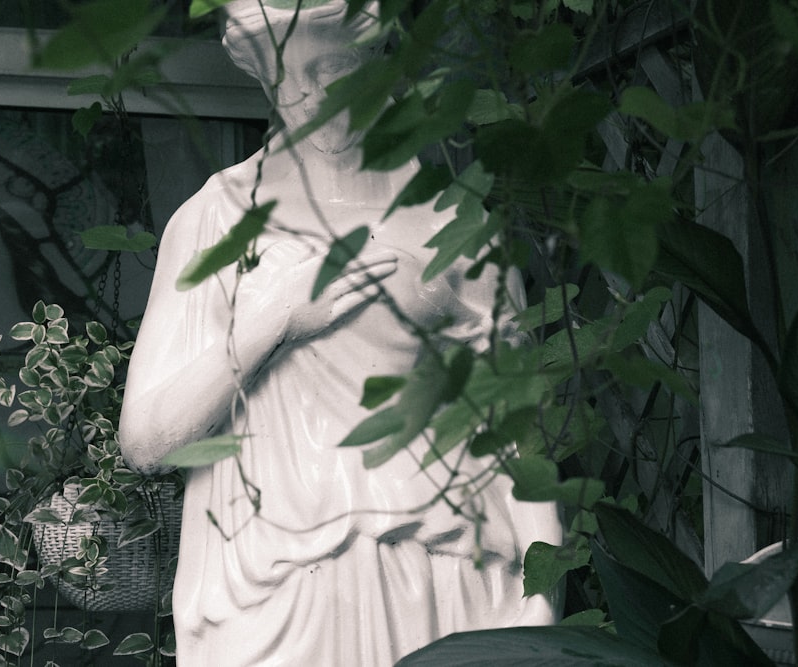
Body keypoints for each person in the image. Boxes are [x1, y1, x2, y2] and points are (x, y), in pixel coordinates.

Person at [119, 1, 562, 664]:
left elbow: (521, 428)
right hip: (273, 586)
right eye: (282, 76)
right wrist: (276, 320)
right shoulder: (215, 218)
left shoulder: (456, 218)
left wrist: (545, 588)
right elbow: (148, 439)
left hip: (446, 576)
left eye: (331, 68)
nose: (304, 96)